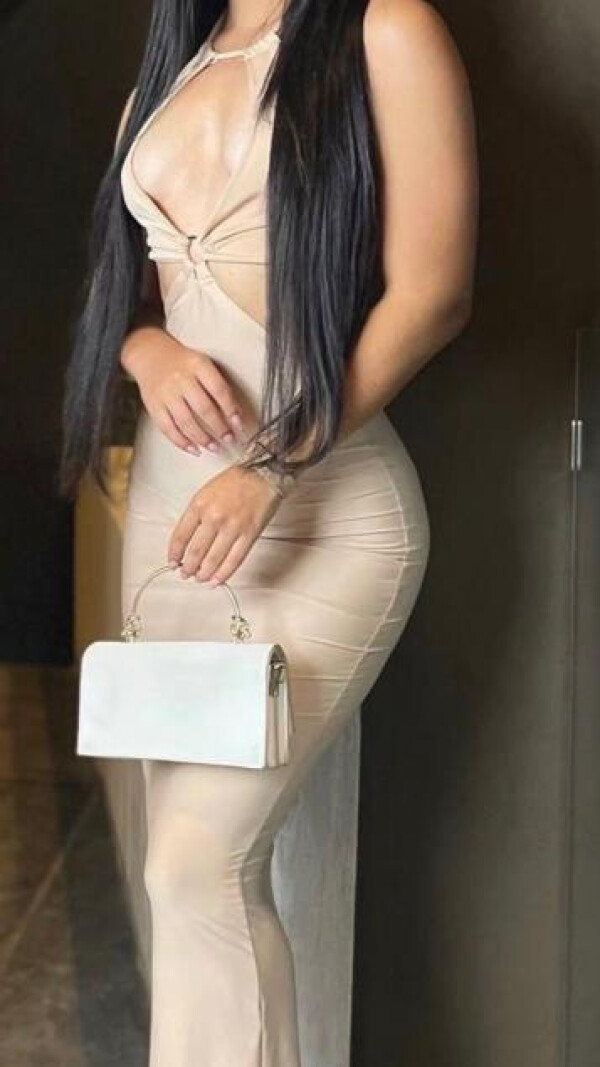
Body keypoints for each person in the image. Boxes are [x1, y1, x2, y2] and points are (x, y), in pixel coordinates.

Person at [60, 0, 478, 1063]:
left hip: (326, 511)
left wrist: (273, 465)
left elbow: (435, 293)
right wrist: (147, 354)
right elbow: (131, 291)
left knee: (194, 865)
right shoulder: (174, 64)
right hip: (175, 519)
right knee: (188, 874)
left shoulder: (386, 29)